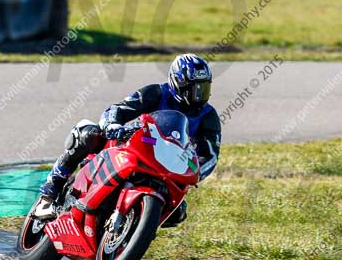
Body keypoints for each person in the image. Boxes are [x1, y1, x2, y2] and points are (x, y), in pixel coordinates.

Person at [35, 53, 222, 225]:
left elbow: (210, 156)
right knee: (87, 134)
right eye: (195, 88)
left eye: (205, 88)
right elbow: (118, 108)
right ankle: (49, 193)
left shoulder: (208, 116)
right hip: (136, 146)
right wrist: (113, 125)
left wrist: (192, 174)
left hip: (167, 168)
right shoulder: (156, 93)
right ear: (178, 83)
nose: (200, 95)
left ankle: (134, 229)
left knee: (178, 212)